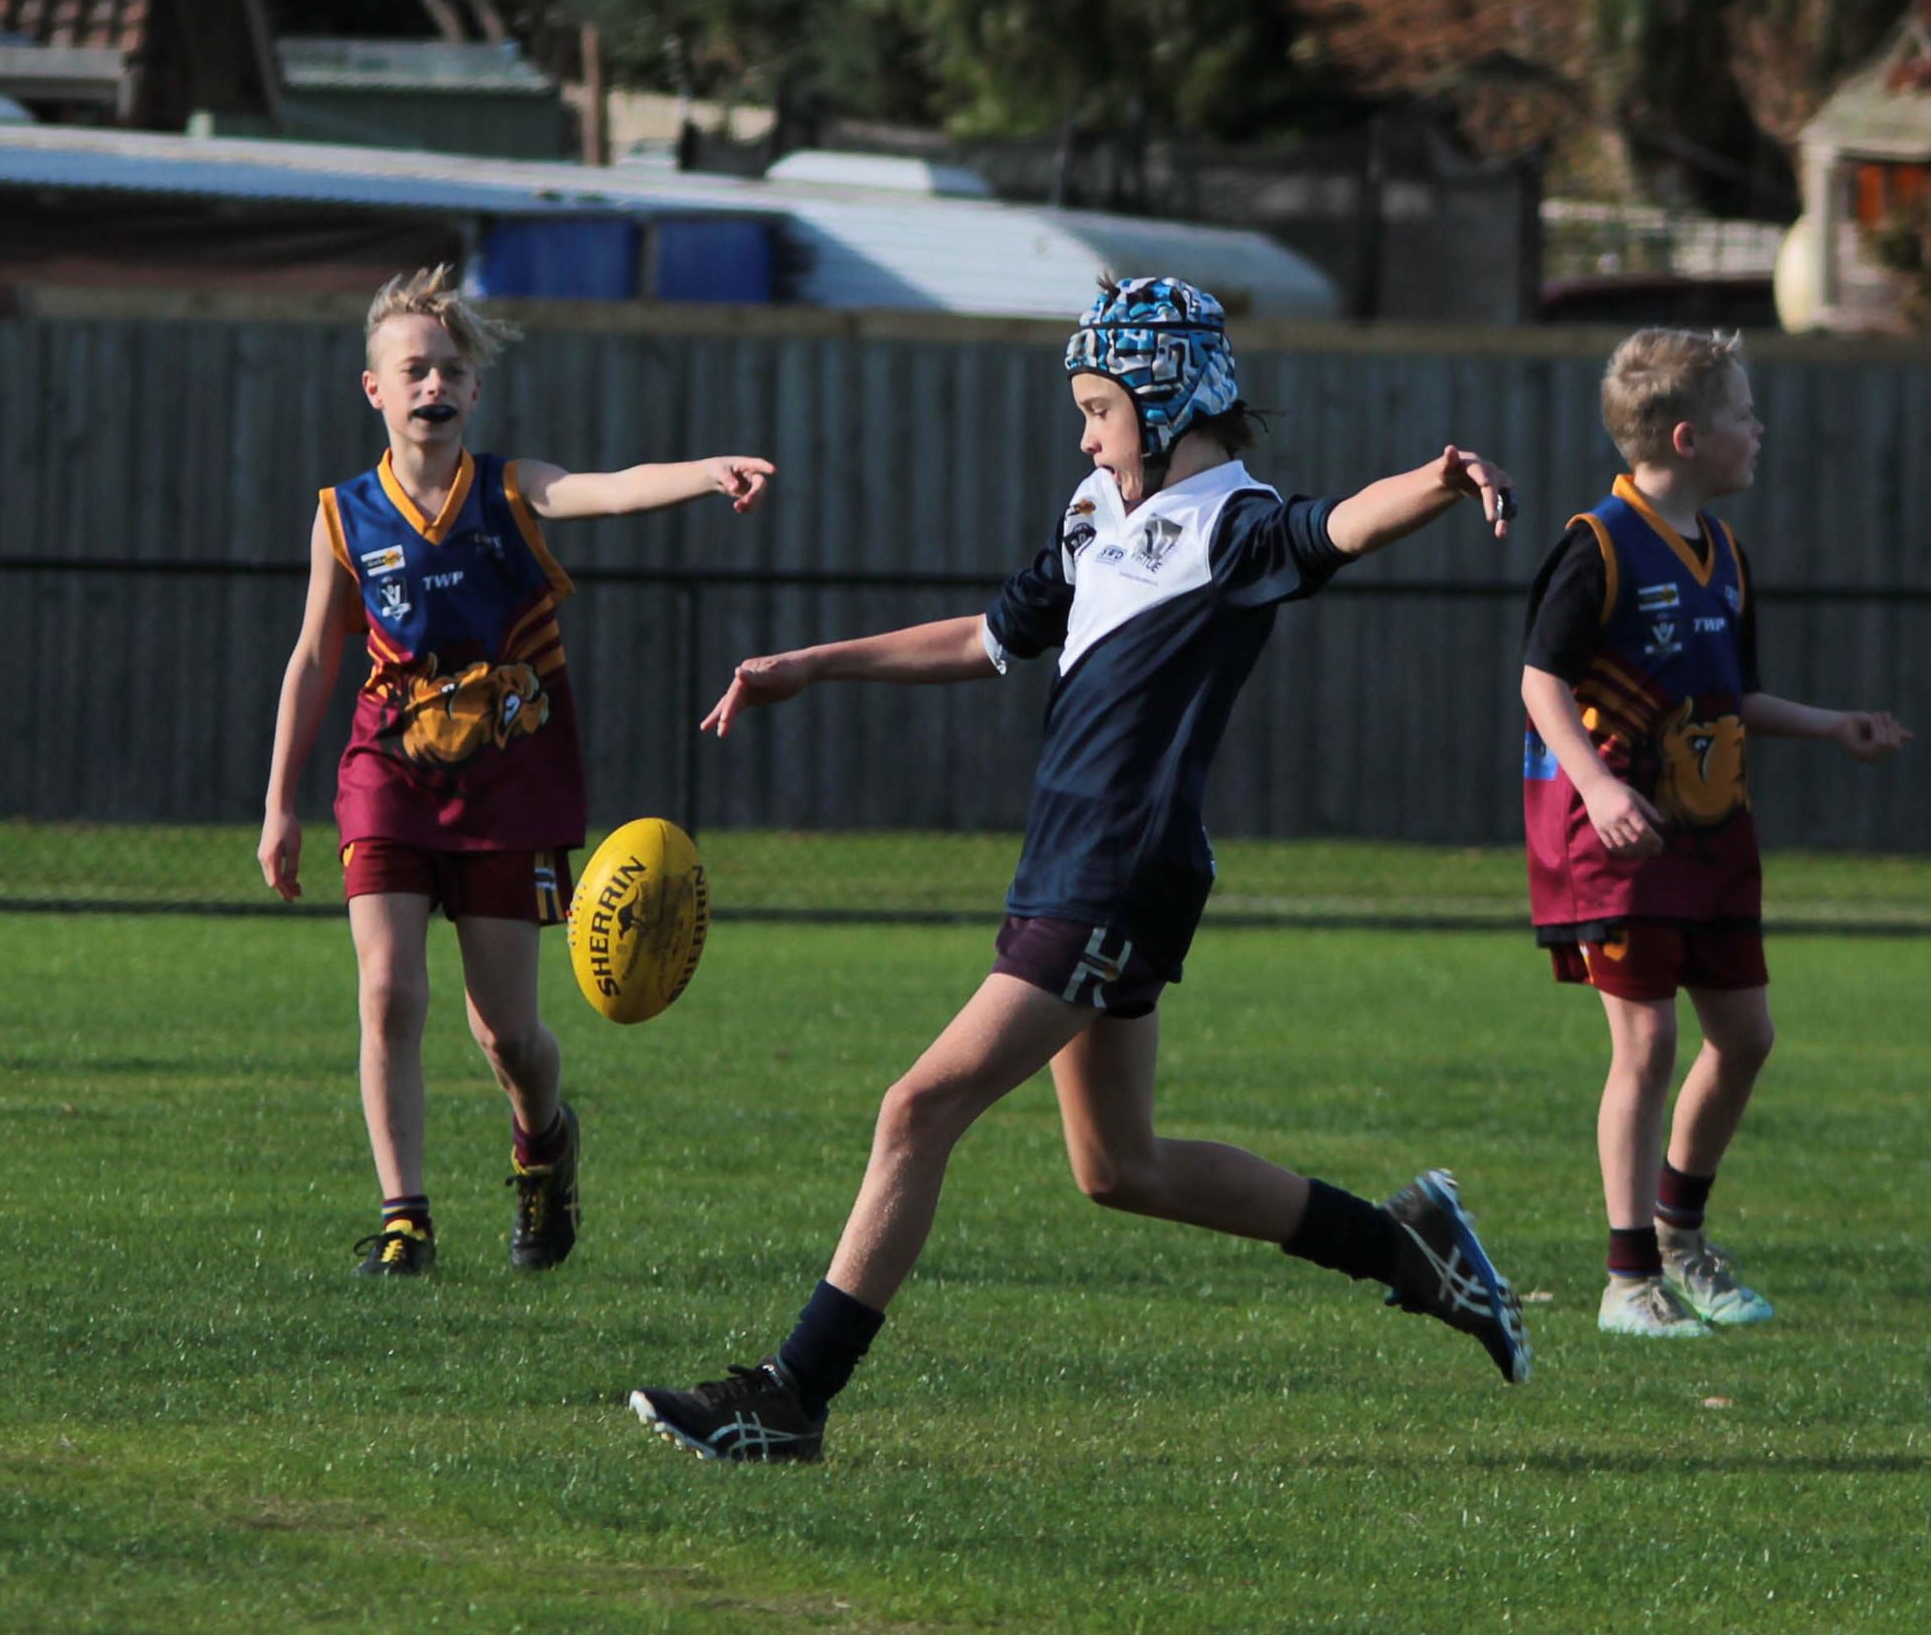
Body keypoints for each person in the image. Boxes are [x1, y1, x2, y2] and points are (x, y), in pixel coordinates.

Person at [628, 275, 1531, 1463]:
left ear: (1164, 407)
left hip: (1116, 872)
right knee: (1120, 1167)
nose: (1083, 433)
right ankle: (1405, 1247)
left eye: (1098, 408)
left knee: (917, 1108)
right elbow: (985, 638)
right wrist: (812, 662)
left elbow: (1337, 526)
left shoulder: (1232, 524)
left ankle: (791, 1395)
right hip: (1075, 863)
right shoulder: (1095, 512)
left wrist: (1437, 480)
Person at [257, 265, 773, 1277]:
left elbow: (609, 490)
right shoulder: (342, 515)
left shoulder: (507, 489)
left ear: (473, 390)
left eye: (448, 369)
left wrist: (704, 469)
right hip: (389, 773)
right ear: (375, 389)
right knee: (387, 991)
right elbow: (316, 658)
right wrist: (280, 805)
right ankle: (405, 1217)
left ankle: (543, 1142)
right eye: (411, 370)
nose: (430, 387)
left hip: (509, 785)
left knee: (506, 1038)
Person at [1521, 327, 1909, 1339]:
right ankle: (1624, 1280)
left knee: (1743, 1037)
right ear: (1687, 438)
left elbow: (1729, 695)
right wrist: (1599, 787)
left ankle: (1680, 1238)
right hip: (1617, 842)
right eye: (1743, 416)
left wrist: (1830, 727)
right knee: (1644, 1043)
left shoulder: (1723, 554)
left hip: (1710, 834)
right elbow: (1539, 681)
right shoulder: (1596, 544)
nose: (1758, 431)